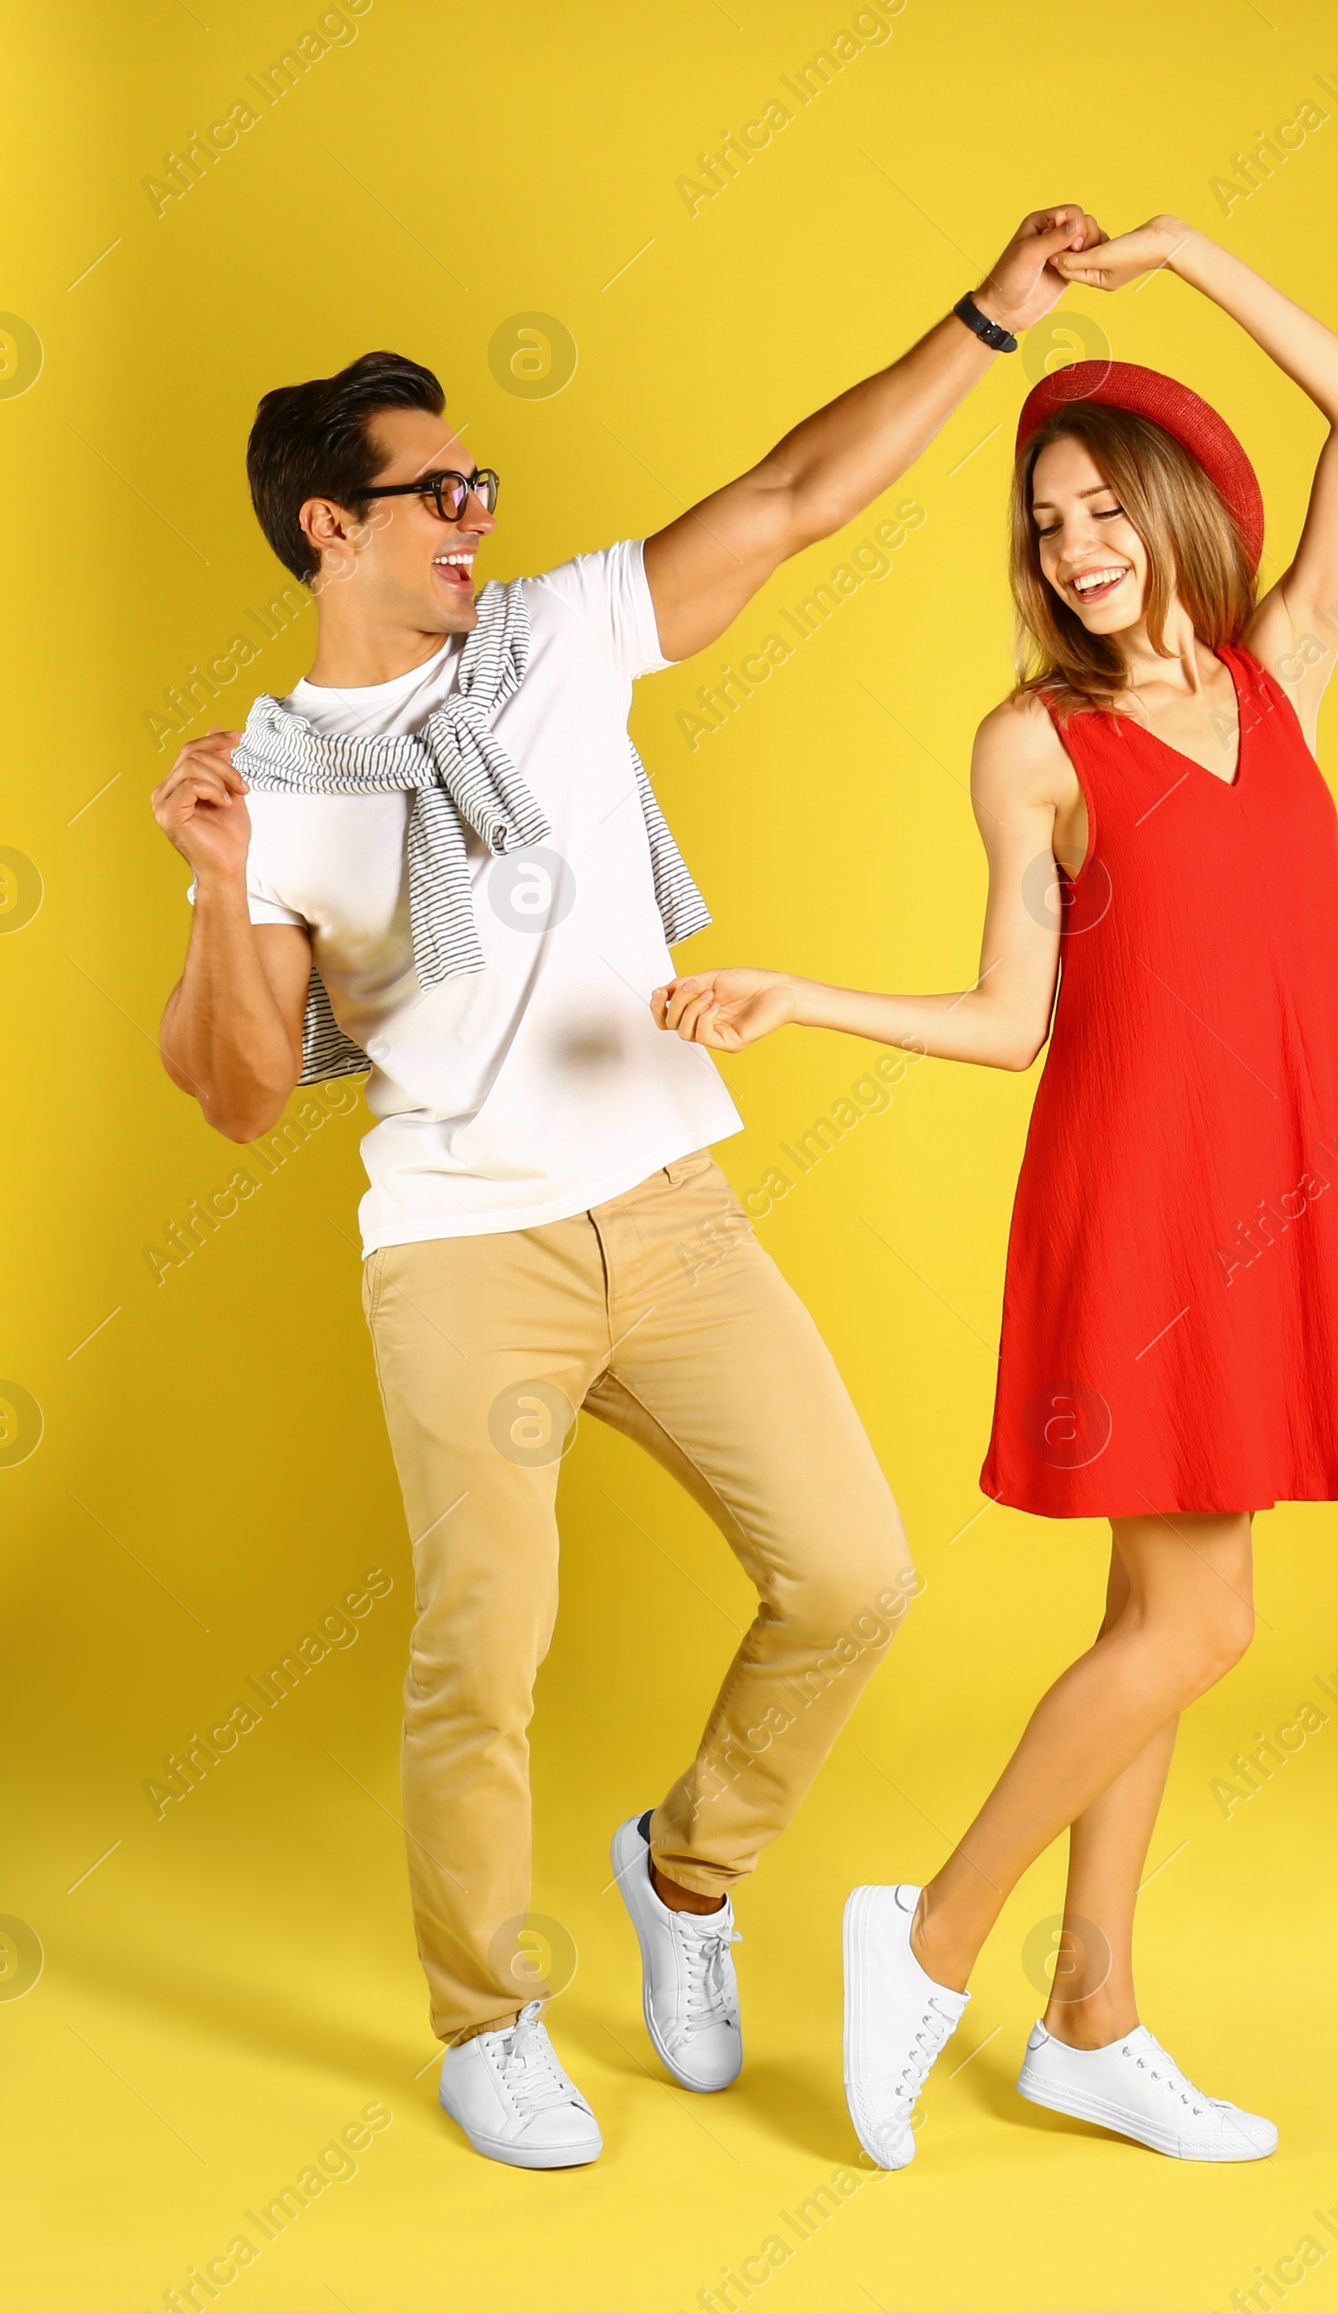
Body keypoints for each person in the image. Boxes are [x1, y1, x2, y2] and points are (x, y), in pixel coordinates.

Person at [149, 201, 1108, 2171]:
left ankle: (686, 1873)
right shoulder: (284, 780)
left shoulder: (553, 638)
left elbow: (787, 498)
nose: (471, 518)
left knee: (852, 1573)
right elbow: (243, 1084)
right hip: (458, 1248)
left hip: (667, 1201)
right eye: (433, 494)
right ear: (328, 527)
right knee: (482, 1640)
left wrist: (984, 322)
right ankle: (485, 2014)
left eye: (475, 483)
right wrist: (214, 884)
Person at [653, 209, 1338, 2169]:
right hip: (1140, 1215)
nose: (1068, 546)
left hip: (1276, 1201)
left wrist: (1188, 257)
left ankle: (1089, 2013)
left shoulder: (1280, 675)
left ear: (1168, 506)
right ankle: (929, 1934)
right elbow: (1010, 1019)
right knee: (1193, 1620)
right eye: (1041, 518)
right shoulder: (1031, 744)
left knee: (1156, 1609)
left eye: (1096, 507)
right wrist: (799, 990)